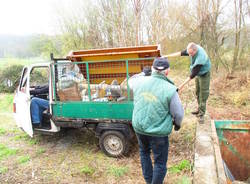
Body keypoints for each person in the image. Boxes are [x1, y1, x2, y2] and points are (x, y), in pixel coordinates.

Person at [131, 57, 184, 184]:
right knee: (160, 162)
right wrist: (177, 124)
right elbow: (178, 114)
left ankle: (149, 181)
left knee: (144, 153)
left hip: (139, 128)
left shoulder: (139, 82)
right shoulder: (170, 89)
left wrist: (143, 73)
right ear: (167, 72)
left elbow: (130, 79)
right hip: (158, 133)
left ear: (153, 69)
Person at [163, 42, 211, 124]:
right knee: (197, 92)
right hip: (198, 74)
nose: (189, 55)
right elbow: (180, 53)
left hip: (204, 74)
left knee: (203, 94)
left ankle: (201, 115)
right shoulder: (191, 49)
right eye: (189, 53)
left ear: (195, 51)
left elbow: (192, 76)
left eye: (191, 54)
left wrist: (180, 87)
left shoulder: (200, 58)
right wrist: (167, 56)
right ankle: (199, 110)